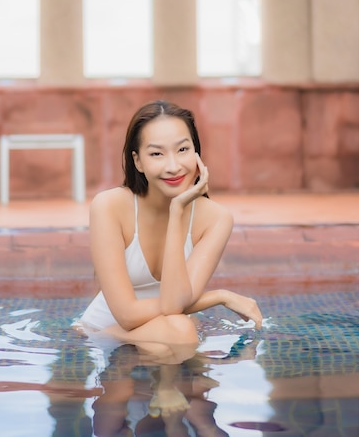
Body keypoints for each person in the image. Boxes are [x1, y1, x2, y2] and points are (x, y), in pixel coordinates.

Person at [75, 100, 262, 360]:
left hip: (167, 331)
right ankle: (163, 383)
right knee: (183, 332)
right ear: (137, 161)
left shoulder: (216, 219)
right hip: (104, 335)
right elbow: (128, 316)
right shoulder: (109, 206)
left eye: (183, 149)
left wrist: (177, 212)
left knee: (182, 332)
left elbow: (177, 304)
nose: (173, 166)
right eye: (156, 154)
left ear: (197, 152)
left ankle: (165, 387)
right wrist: (218, 296)